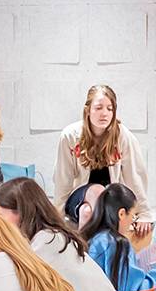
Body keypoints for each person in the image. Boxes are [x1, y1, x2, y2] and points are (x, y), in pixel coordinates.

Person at [0, 177, 126, 291]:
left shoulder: (46, 243)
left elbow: (8, 289)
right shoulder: (56, 237)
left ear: (22, 212)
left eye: (0, 217)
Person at [51, 84, 148, 223]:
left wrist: (143, 214)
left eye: (110, 109)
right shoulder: (70, 136)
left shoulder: (122, 136)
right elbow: (62, 179)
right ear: (88, 110)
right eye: (98, 108)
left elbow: (134, 176)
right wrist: (58, 219)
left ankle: (94, 244)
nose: (104, 113)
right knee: (96, 193)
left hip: (110, 199)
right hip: (79, 198)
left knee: (88, 211)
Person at [80, 183, 156, 291]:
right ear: (121, 214)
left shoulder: (87, 239)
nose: (132, 222)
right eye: (133, 216)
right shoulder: (117, 245)